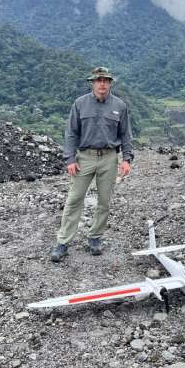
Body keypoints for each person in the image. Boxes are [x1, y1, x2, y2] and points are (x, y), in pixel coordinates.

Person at [50, 67, 133, 262]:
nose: (102, 83)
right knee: (74, 199)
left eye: (105, 80)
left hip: (109, 158)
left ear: (110, 82)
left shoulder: (120, 106)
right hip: (84, 158)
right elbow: (71, 133)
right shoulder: (80, 104)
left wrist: (127, 159)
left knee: (104, 201)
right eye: (98, 80)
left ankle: (95, 238)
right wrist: (69, 159)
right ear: (92, 83)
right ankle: (63, 242)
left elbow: (125, 134)